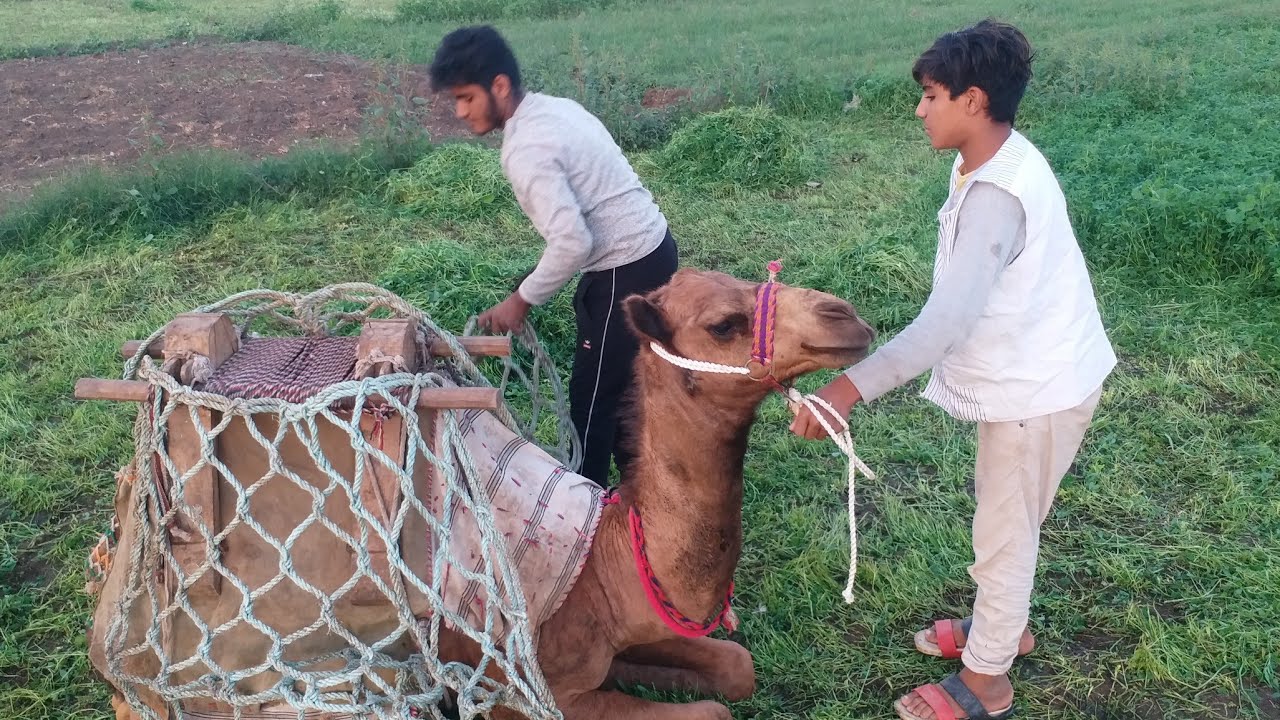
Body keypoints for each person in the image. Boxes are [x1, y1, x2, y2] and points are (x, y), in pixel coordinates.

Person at [790, 19, 1116, 720]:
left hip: (1040, 387)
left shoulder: (998, 193)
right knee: (1009, 519)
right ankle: (1002, 631)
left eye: (931, 95)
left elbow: (945, 324)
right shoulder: (988, 158)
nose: (919, 109)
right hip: (1041, 377)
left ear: (972, 99)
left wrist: (845, 390)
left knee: (1005, 531)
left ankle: (988, 680)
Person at [427, 25, 679, 486]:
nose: (461, 112)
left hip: (627, 269)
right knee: (627, 386)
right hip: (653, 249)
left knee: (592, 404)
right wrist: (527, 284)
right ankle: (642, 486)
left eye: (466, 97)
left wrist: (521, 301)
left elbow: (572, 243)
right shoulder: (555, 108)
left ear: (498, 86)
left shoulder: (525, 151)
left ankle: (590, 514)